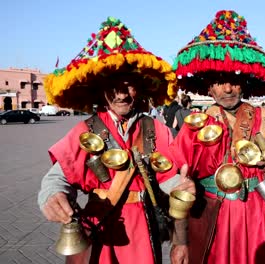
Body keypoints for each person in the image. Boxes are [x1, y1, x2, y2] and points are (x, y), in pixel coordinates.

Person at [38, 17, 194, 264]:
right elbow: (59, 177)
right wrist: (52, 195)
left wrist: (179, 187)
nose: (121, 95)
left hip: (144, 228)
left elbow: (168, 178)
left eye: (128, 85)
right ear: (100, 89)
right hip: (98, 227)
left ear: (139, 88)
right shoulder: (85, 129)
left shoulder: (157, 129)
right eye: (113, 86)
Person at [169, 10, 265, 264]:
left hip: (255, 218)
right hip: (208, 218)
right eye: (219, 81)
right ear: (208, 86)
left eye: (234, 79)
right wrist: (180, 241)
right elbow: (179, 183)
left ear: (246, 82)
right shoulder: (196, 126)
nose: (227, 88)